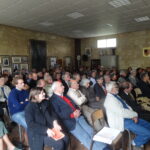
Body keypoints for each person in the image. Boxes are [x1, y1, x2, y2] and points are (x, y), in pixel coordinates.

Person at [50, 81, 111, 150]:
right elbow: (58, 114)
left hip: (78, 116)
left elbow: (74, 104)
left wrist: (78, 110)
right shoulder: (53, 100)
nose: (63, 86)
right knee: (85, 137)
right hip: (70, 122)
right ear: (56, 89)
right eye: (61, 86)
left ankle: (104, 146)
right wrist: (72, 115)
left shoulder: (64, 95)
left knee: (91, 131)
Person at [104, 81, 150, 149]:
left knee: (148, 125)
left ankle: (143, 140)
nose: (118, 88)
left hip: (127, 117)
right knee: (147, 133)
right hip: (122, 121)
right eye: (116, 87)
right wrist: (134, 115)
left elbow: (127, 106)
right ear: (112, 89)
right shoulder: (110, 100)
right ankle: (135, 143)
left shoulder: (116, 96)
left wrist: (133, 115)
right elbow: (122, 112)